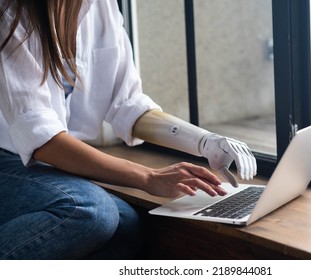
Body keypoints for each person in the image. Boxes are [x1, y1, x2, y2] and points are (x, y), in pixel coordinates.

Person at [0, 0, 256, 259]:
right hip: (9, 159)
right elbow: (41, 138)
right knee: (89, 210)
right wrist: (148, 177)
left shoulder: (102, 6)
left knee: (127, 225)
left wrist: (205, 142)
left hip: (46, 164)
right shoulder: (10, 10)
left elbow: (128, 105)